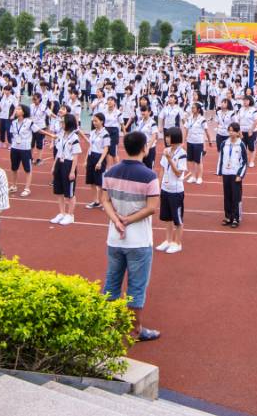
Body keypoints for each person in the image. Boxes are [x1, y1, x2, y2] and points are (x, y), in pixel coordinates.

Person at [100, 130, 162, 342]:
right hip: (139, 240)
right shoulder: (149, 176)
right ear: (145, 149)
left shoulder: (110, 172)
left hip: (114, 238)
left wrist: (117, 220)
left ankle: (107, 324)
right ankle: (135, 330)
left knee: (112, 282)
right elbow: (153, 207)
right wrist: (128, 220)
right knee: (136, 286)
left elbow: (105, 200)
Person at [157, 127, 187, 253]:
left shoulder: (182, 154)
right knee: (167, 218)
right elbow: (162, 170)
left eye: (169, 136)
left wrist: (170, 159)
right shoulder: (166, 151)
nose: (166, 139)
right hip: (165, 189)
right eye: (166, 136)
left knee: (177, 219)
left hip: (176, 191)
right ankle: (168, 240)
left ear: (175, 137)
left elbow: (179, 173)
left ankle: (177, 242)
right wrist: (158, 187)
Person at [216, 123, 247, 227]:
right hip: (226, 173)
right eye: (229, 130)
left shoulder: (241, 144)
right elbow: (221, 157)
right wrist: (219, 171)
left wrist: (240, 175)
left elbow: (244, 162)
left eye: (233, 131)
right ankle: (228, 216)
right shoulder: (224, 143)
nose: (231, 133)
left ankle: (236, 218)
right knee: (227, 196)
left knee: (236, 197)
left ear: (238, 132)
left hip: (235, 174)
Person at [83, 113, 112, 209]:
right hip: (91, 156)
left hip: (99, 157)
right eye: (93, 121)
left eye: (96, 121)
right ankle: (96, 201)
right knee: (92, 181)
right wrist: (86, 159)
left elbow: (106, 149)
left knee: (100, 182)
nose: (94, 122)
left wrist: (100, 162)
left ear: (102, 121)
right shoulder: (92, 132)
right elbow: (90, 146)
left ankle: (106, 202)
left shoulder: (105, 134)